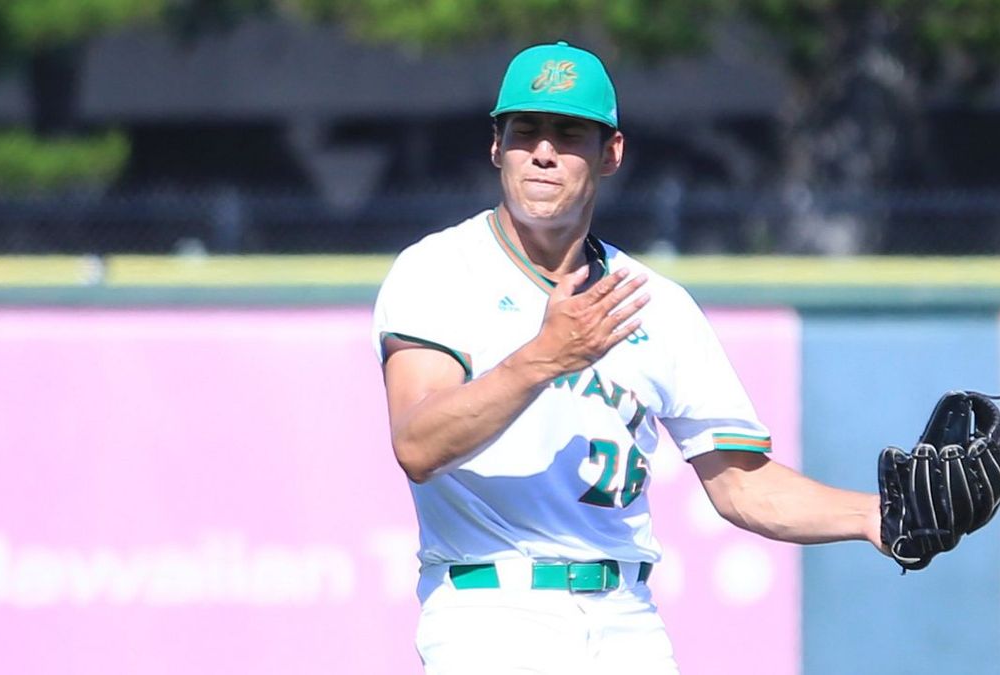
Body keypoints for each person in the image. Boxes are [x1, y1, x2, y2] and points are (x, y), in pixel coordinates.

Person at [372, 41, 884, 674]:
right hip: (490, 613)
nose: (544, 152)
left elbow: (740, 485)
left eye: (569, 134)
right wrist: (543, 358)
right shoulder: (438, 271)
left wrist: (871, 515)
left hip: (627, 621)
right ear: (496, 146)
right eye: (525, 131)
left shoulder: (657, 304)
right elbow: (418, 444)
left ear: (610, 153)